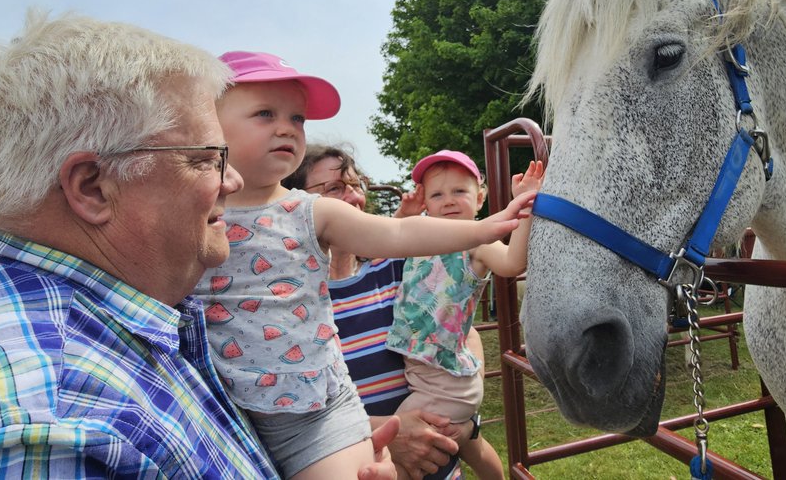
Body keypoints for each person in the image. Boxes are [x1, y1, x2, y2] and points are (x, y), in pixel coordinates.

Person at [0, 12, 396, 479]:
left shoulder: (114, 295)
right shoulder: (45, 436)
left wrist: (338, 443)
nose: (232, 182)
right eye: (209, 158)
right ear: (94, 187)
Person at [192, 51, 536, 480]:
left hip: (315, 416)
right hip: (222, 413)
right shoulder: (195, 214)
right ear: (208, 122)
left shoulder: (309, 212)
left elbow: (398, 236)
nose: (286, 127)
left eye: (297, 119)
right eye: (265, 113)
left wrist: (487, 229)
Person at [286, 145, 475, 480]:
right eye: (334, 189)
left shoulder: (398, 266)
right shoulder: (288, 302)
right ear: (297, 203)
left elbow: (462, 331)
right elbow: (291, 413)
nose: (354, 197)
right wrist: (390, 432)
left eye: (357, 185)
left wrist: (465, 416)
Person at [387, 150, 544, 480]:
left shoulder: (476, 243)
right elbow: (386, 245)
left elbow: (513, 262)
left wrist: (527, 205)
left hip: (446, 384)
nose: (448, 202)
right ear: (425, 203)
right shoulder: (420, 238)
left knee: (392, 449)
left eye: (459, 192)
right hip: (426, 375)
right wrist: (404, 215)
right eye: (437, 194)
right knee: (469, 447)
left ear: (480, 198)